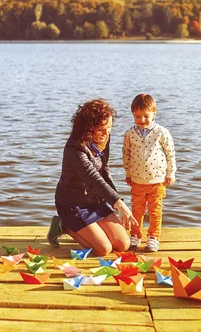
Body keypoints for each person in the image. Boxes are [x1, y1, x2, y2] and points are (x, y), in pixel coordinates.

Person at [47, 98, 138, 256]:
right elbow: (93, 178)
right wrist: (119, 205)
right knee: (103, 249)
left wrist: (116, 201)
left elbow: (104, 170)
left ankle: (90, 228)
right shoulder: (74, 148)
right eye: (101, 129)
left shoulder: (103, 139)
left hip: (95, 201)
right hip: (72, 205)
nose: (106, 133)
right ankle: (64, 225)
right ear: (88, 128)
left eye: (109, 128)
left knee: (123, 244)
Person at [123, 94, 177, 252]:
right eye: (137, 116)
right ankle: (136, 234)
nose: (142, 120)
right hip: (137, 179)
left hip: (157, 180)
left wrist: (170, 173)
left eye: (146, 116)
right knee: (137, 209)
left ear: (154, 113)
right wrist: (128, 172)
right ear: (133, 114)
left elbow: (170, 153)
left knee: (155, 210)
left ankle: (153, 236)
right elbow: (126, 153)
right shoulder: (130, 134)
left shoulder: (161, 132)